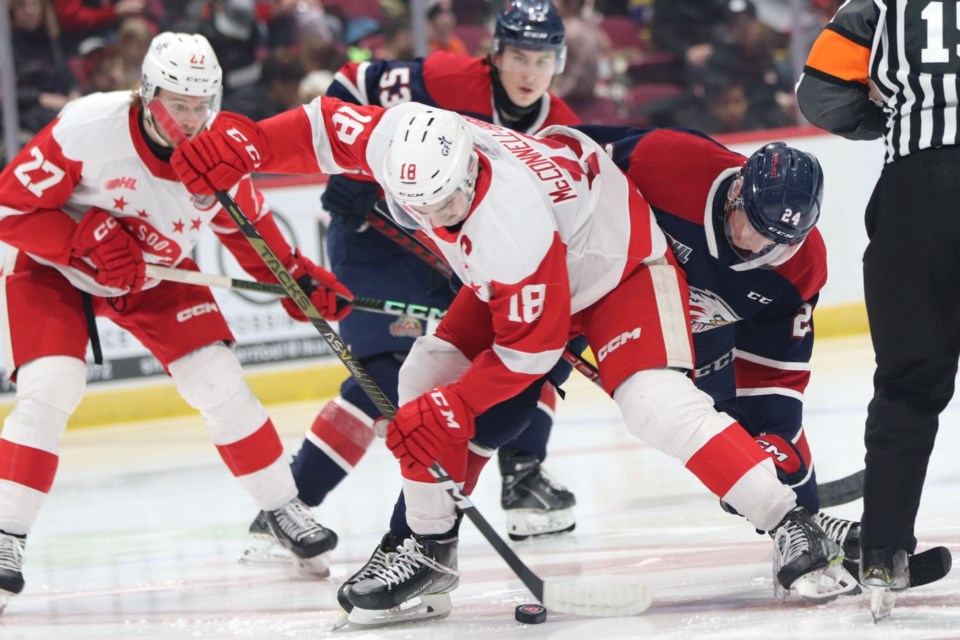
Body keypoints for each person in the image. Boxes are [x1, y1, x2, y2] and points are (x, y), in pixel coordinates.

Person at [169, 96, 857, 626]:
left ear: (469, 174)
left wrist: (458, 409)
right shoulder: (412, 139)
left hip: (620, 269)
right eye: (419, 203)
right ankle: (427, 550)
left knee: (652, 401)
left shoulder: (508, 223)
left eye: (444, 202)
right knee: (420, 376)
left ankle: (787, 521)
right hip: (546, 252)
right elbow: (324, 125)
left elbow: (530, 355)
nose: (434, 212)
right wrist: (250, 140)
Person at [0, 32, 352, 611]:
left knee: (217, 379)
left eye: (199, 106)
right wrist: (76, 239)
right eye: (175, 104)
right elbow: (13, 207)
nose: (188, 120)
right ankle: (6, 536)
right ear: (146, 93)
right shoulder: (87, 126)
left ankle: (282, 507)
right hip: (50, 264)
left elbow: (246, 228)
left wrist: (297, 279)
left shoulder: (217, 152)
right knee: (51, 388)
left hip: (153, 269)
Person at [240, 0, 583, 569]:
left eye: (542, 60)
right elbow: (350, 85)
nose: (529, 73)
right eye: (518, 57)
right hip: (380, 238)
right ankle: (289, 504)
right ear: (495, 54)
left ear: (559, 62)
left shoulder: (563, 130)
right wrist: (355, 175)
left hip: (466, 261)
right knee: (383, 371)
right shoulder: (444, 78)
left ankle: (523, 474)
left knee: (540, 343)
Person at [576, 124, 861, 562]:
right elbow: (560, 158)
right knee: (508, 384)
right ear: (738, 189)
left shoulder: (799, 269)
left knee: (755, 444)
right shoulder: (669, 161)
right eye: (752, 219)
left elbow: (774, 384)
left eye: (775, 239)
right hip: (596, 289)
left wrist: (768, 451)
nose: (752, 242)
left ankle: (802, 529)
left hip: (704, 339)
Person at [796, 0, 952, 606]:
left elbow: (820, 96)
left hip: (915, 194)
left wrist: (894, 121)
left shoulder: (878, 3)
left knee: (907, 386)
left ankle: (886, 555)